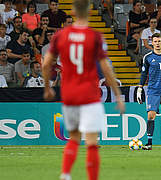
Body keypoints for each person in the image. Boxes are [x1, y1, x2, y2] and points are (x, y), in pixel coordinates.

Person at [42, 0, 125, 180]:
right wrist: (118, 95)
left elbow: (46, 63)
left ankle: (65, 174)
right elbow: (106, 69)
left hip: (69, 94)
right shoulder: (95, 36)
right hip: (89, 94)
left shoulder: (60, 36)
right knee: (92, 142)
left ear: (72, 11)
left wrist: (48, 88)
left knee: (73, 138)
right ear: (88, 11)